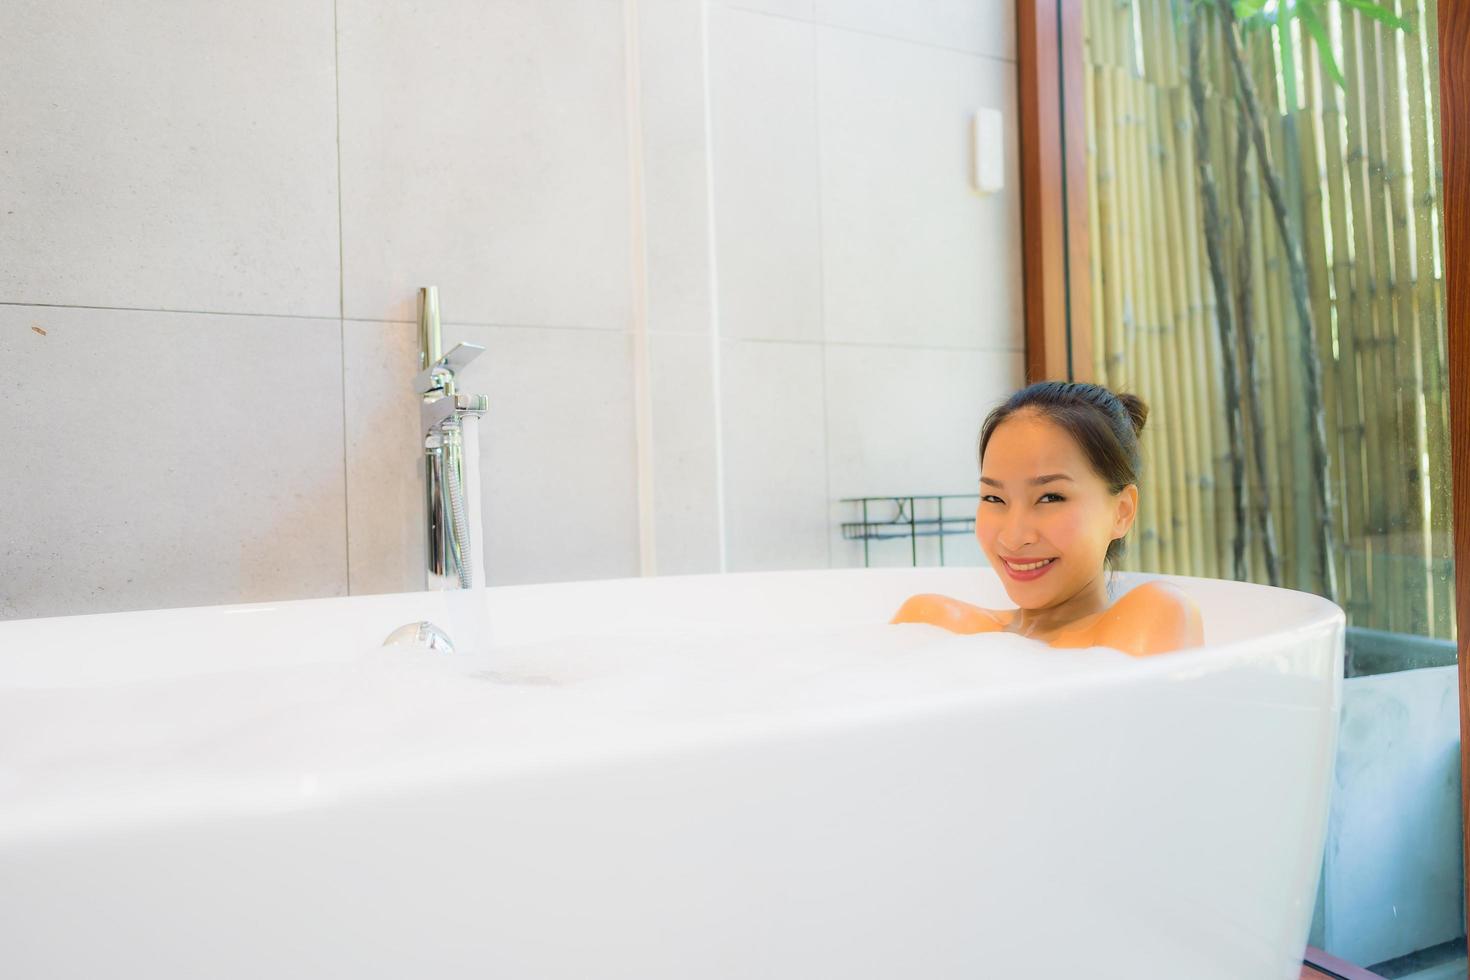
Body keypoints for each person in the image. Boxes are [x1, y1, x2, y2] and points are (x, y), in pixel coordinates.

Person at [890, 381, 1203, 657]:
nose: (1013, 537)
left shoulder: (1154, 615)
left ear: (1121, 512)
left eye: (1051, 497)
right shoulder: (930, 622)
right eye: (994, 498)